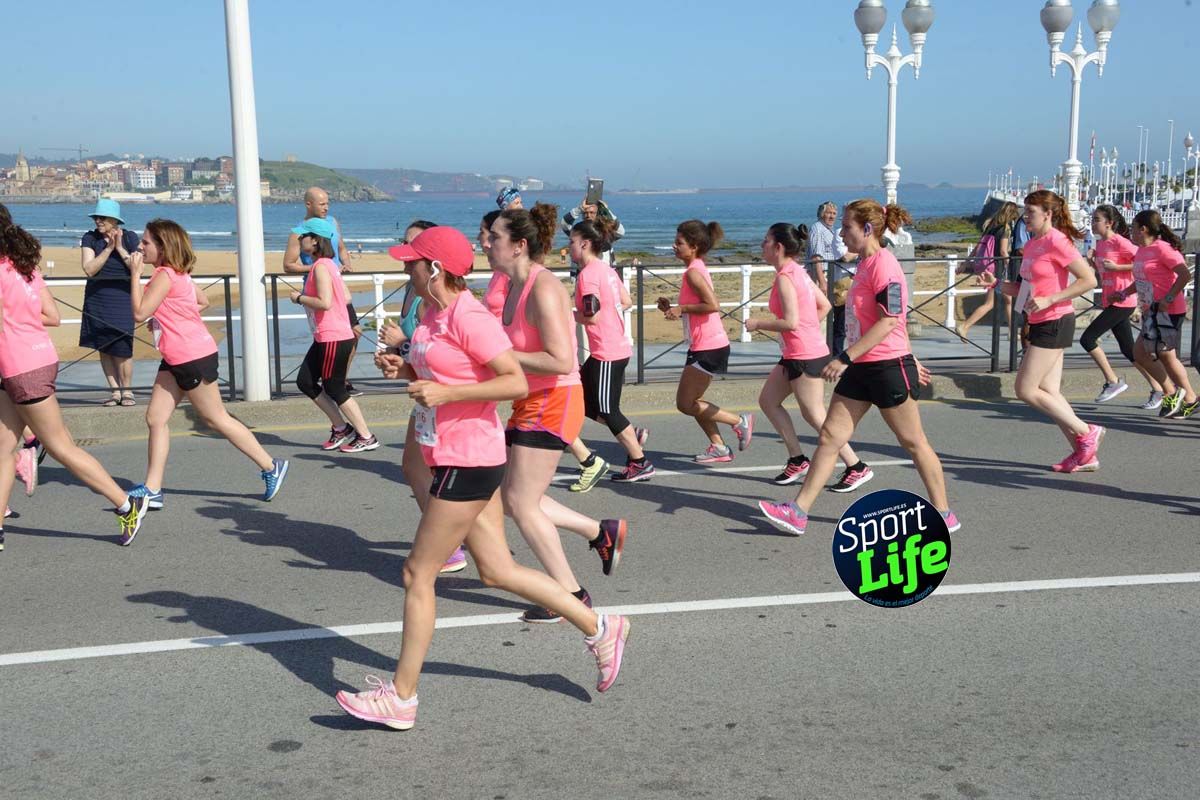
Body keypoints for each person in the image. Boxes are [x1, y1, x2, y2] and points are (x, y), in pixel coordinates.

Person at [339, 225, 629, 730]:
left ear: (435, 269)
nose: (404, 270)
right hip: (447, 452)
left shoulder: (469, 315)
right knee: (496, 570)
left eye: (412, 263)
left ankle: (402, 697)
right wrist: (404, 371)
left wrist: (444, 395)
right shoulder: (433, 314)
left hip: (468, 458)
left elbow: (512, 380)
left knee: (416, 572)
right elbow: (445, 375)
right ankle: (599, 626)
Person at [758, 199, 960, 536]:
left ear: (867, 229)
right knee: (829, 437)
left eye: (847, 226)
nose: (841, 232)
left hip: (884, 368)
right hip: (862, 367)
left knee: (914, 443)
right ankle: (798, 511)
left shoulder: (885, 265)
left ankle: (944, 513)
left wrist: (849, 357)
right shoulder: (865, 264)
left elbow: (890, 321)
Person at [490, 204, 628, 624]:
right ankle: (598, 531)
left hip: (555, 398)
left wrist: (501, 354)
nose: (486, 243)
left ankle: (571, 595)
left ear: (519, 245)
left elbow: (561, 358)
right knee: (514, 500)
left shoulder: (543, 287)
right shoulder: (510, 285)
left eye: (494, 236)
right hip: (529, 400)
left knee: (519, 500)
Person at [0, 203, 149, 549]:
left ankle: (127, 504)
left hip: (22, 369)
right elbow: (51, 315)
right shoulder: (23, 268)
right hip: (31, 360)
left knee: (62, 447)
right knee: (4, 447)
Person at [125, 219, 289, 509]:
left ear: (163, 247)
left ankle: (270, 465)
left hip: (190, 357)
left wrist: (135, 275)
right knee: (155, 418)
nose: (140, 246)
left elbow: (138, 313)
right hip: (178, 356)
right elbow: (200, 302)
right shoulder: (178, 273)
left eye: (146, 242)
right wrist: (166, 316)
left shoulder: (164, 275)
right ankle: (152, 488)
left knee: (216, 418)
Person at [979, 190, 1103, 472]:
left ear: (1047, 214)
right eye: (1025, 211)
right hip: (1038, 320)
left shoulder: (1058, 241)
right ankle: (1084, 454)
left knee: (1025, 388)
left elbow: (1088, 280)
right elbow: (1024, 290)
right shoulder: (1034, 245)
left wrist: (1050, 299)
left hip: (1056, 320)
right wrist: (995, 283)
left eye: (1031, 212)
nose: (1025, 217)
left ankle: (1086, 431)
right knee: (1049, 391)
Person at [748, 223, 872, 491]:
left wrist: (758, 324)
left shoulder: (786, 277)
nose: (762, 246)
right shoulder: (798, 272)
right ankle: (796, 458)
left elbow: (791, 322)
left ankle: (856, 466)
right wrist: (808, 330)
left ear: (778, 247)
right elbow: (824, 305)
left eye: (766, 241)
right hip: (798, 352)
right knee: (768, 401)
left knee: (815, 415)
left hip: (804, 355)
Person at [379, 219, 470, 575]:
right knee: (415, 468)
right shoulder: (422, 299)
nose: (406, 260)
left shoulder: (453, 310)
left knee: (515, 506)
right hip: (429, 401)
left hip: (454, 414)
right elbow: (426, 355)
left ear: (435, 264)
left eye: (413, 253)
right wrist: (400, 365)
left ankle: (448, 547)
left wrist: (400, 345)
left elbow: (505, 375)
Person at [657, 220, 753, 463]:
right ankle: (719, 448)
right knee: (693, 402)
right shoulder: (694, 268)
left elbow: (712, 305)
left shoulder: (693, 272)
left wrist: (683, 308)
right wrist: (674, 309)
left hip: (710, 347)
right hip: (703, 345)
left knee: (685, 403)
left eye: (679, 243)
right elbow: (695, 307)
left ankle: (738, 421)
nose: (674, 246)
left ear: (694, 246)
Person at [571, 218, 653, 483]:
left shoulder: (587, 275)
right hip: (609, 349)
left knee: (607, 409)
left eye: (571, 242)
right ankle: (631, 433)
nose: (569, 247)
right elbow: (626, 301)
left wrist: (568, 314)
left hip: (608, 352)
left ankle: (639, 462)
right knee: (580, 401)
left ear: (584, 244)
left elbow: (591, 315)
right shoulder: (607, 270)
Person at [290, 218, 378, 452]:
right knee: (305, 382)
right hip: (326, 335)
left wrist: (299, 298)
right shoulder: (328, 264)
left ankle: (366, 436)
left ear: (316, 241)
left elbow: (325, 302)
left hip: (334, 336)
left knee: (335, 387)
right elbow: (345, 297)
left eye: (304, 236)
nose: (299, 240)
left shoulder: (321, 266)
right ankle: (341, 427)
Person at [283, 187, 364, 396]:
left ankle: (339, 380)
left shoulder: (333, 223)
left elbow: (342, 248)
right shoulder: (299, 232)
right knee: (326, 337)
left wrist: (346, 264)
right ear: (308, 204)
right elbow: (288, 265)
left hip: (338, 289)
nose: (326, 207)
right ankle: (329, 382)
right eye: (321, 203)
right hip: (317, 291)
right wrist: (320, 267)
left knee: (354, 333)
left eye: (328, 203)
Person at [1080, 205, 1164, 407]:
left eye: (1097, 219)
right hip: (1110, 300)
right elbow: (1102, 272)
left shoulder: (1121, 242)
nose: (1093, 223)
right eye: (1092, 219)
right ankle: (1159, 389)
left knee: (1087, 338)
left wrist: (1118, 267)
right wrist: (1092, 262)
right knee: (1130, 350)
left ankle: (1113, 381)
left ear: (1109, 223)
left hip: (1124, 300)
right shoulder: (1099, 245)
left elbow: (1143, 262)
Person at [1116, 210, 1197, 418]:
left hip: (1168, 311)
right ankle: (1173, 391)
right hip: (1149, 310)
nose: (1130, 232)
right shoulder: (1142, 251)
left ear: (1143, 229)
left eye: (1133, 228)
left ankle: (1188, 397)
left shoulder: (1162, 248)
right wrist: (1125, 292)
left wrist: (1168, 298)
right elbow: (1143, 279)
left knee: (1166, 355)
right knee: (1140, 353)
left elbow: (1184, 274)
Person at [79, 199, 138, 406]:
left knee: (123, 346)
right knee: (103, 347)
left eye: (102, 218)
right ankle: (114, 391)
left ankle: (127, 390)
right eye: (96, 217)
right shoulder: (90, 238)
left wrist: (119, 247)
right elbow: (89, 269)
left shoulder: (130, 237)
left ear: (115, 220)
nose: (98, 221)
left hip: (122, 297)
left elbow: (135, 267)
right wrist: (107, 249)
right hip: (97, 298)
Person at [956, 201, 1018, 340]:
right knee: (990, 303)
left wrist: (966, 263)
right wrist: (1011, 264)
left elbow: (978, 246)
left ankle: (1012, 331)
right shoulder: (1005, 228)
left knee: (1008, 299)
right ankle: (965, 326)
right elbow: (1003, 250)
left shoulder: (990, 226)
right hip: (997, 268)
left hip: (988, 266)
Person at [807, 202, 858, 353]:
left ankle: (829, 351)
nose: (831, 216)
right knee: (822, 316)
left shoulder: (829, 230)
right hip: (821, 276)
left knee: (832, 317)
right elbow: (817, 256)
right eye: (828, 213)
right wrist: (822, 282)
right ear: (821, 214)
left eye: (834, 213)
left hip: (832, 277)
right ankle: (819, 352)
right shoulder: (817, 228)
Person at [561, 198, 625, 266]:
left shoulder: (604, 231)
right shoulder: (578, 231)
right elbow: (564, 224)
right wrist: (580, 208)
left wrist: (606, 211)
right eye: (585, 213)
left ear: (598, 214)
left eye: (592, 212)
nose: (588, 215)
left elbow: (620, 232)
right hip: (582, 272)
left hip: (604, 272)